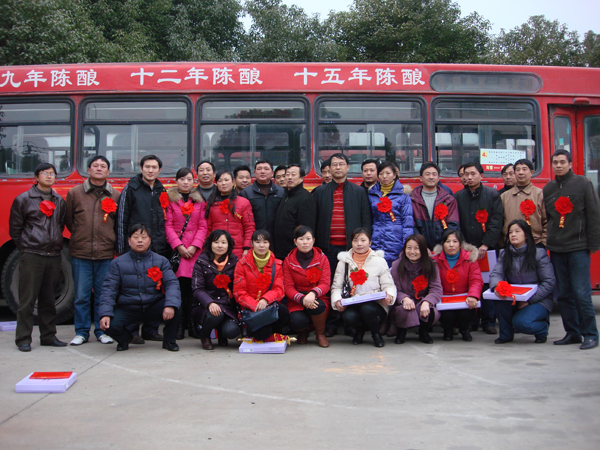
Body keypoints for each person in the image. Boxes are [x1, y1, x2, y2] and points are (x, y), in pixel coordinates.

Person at [543, 150, 600, 350]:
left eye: (562, 162)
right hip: (556, 248)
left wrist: (593, 244)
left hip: (578, 246)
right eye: (555, 162)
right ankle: (572, 333)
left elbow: (593, 215)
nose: (558, 166)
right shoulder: (548, 188)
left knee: (581, 293)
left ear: (570, 164)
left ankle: (590, 334)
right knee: (564, 294)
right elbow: (549, 218)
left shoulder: (583, 184)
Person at [9, 163, 67, 352]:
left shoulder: (59, 200)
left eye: (52, 174)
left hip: (53, 255)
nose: (49, 176)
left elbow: (60, 225)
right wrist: (27, 247)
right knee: (27, 299)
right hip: (32, 255)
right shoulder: (24, 199)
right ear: (36, 177)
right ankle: (23, 338)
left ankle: (48, 336)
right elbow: (15, 229)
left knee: (48, 299)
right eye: (45, 173)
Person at [312, 152, 371, 336]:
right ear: (329, 168)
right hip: (328, 248)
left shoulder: (359, 192)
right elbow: (314, 221)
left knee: (352, 283)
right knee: (330, 285)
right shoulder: (320, 192)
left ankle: (350, 323)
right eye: (334, 164)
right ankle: (331, 322)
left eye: (341, 164)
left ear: (347, 167)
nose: (338, 167)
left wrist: (364, 244)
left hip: (351, 249)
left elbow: (366, 220)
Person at [98, 224, 181, 352]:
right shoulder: (117, 263)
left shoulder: (161, 261)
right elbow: (109, 289)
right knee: (108, 325)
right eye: (136, 237)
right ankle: (125, 339)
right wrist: (105, 313)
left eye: (144, 237)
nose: (140, 241)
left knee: (176, 308)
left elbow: (172, 284)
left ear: (150, 240)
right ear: (129, 241)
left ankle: (169, 341)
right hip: (129, 307)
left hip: (152, 304)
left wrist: (170, 305)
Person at [65, 155, 120, 346]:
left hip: (105, 253)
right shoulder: (75, 193)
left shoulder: (115, 195)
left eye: (103, 166)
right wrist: (81, 236)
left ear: (108, 171)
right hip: (81, 253)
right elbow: (69, 221)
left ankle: (101, 331)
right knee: (81, 296)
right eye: (95, 166)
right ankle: (81, 332)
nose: (99, 168)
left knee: (103, 296)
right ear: (88, 170)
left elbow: (117, 224)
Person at [116, 154, 168, 341]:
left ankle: (150, 329)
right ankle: (131, 331)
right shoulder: (131, 188)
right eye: (147, 167)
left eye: (154, 167)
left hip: (156, 248)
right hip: (135, 248)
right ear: (141, 168)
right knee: (133, 289)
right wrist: (122, 248)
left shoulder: (161, 190)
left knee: (154, 288)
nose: (150, 170)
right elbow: (122, 219)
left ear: (159, 170)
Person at [454, 162, 504, 335]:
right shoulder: (458, 197)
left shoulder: (492, 195)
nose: (469, 177)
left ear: (481, 176)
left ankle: (488, 321)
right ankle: (472, 321)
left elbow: (496, 221)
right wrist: (464, 246)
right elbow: (456, 223)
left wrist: (486, 244)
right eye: (466, 174)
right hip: (467, 249)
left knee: (488, 284)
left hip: (487, 249)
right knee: (469, 283)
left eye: (473, 174)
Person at [489, 220, 555, 344]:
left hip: (538, 299)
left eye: (517, 231)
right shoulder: (504, 253)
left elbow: (549, 282)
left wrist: (530, 300)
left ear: (526, 235)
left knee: (522, 323)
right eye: (510, 232)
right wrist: (497, 287)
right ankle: (506, 335)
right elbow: (496, 274)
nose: (513, 235)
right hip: (514, 297)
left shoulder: (539, 253)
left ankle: (542, 328)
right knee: (499, 299)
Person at [330, 228, 396, 347]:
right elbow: (336, 287)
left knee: (367, 309)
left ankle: (376, 333)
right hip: (353, 302)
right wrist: (337, 300)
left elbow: (388, 285)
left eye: (363, 240)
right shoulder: (344, 262)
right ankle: (359, 331)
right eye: (355, 240)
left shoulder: (379, 261)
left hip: (376, 303)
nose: (359, 244)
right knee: (349, 317)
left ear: (370, 242)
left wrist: (389, 296)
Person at [165, 168, 208, 339]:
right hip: (179, 251)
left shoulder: (199, 201)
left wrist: (195, 246)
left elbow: (203, 225)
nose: (185, 182)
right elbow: (168, 225)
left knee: (194, 290)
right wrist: (179, 246)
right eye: (182, 179)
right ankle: (179, 324)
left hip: (195, 251)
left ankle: (192, 323)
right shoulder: (170, 201)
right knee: (178, 289)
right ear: (177, 181)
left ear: (193, 182)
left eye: (189, 179)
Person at [233, 230, 289, 341]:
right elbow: (239, 293)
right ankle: (263, 333)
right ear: (252, 244)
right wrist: (255, 305)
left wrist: (265, 300)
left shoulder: (277, 264)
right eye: (258, 242)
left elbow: (279, 289)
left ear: (269, 244)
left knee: (283, 310)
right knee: (262, 334)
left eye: (265, 242)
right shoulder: (242, 264)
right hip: (251, 310)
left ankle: (274, 333)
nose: (261, 245)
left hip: (269, 307)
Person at [282, 226, 331, 347]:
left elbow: (325, 283)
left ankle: (320, 334)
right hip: (297, 299)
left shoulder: (322, 258)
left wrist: (313, 293)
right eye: (301, 239)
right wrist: (302, 299)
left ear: (313, 241)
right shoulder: (288, 260)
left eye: (308, 238)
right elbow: (288, 287)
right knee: (296, 320)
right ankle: (303, 332)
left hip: (317, 297)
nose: (305, 242)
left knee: (318, 306)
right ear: (295, 241)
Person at [191, 230, 240, 350]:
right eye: (216, 242)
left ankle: (222, 334)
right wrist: (210, 303)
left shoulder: (235, 261)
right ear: (210, 243)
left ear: (229, 245)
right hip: (205, 306)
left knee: (232, 331)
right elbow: (197, 289)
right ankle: (205, 335)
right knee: (215, 315)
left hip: (227, 306)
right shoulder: (201, 261)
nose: (220, 246)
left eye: (223, 242)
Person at [432, 229, 483, 342]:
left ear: (460, 243)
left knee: (465, 312)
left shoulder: (470, 259)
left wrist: (473, 295)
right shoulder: (435, 260)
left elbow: (476, 280)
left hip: (464, 297)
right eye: (448, 241)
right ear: (443, 244)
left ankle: (464, 330)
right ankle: (448, 330)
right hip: (444, 297)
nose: (451, 245)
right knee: (447, 315)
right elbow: (433, 282)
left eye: (455, 241)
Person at [391, 234, 443, 344]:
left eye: (416, 248)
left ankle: (424, 332)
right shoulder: (397, 265)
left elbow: (436, 288)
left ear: (423, 249)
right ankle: (401, 332)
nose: (412, 251)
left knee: (429, 311)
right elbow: (395, 288)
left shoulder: (431, 265)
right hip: (405, 301)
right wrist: (404, 298)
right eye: (409, 248)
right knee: (403, 309)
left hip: (422, 299)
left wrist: (427, 301)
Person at [368, 161, 414, 267]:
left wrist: (407, 244)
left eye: (388, 173)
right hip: (376, 239)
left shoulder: (403, 195)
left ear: (394, 175)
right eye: (381, 173)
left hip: (396, 240)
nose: (384, 176)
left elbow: (407, 223)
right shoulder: (372, 194)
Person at [206, 170, 255, 259]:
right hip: (217, 249)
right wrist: (207, 248)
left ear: (233, 182)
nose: (223, 183)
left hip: (237, 249)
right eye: (220, 181)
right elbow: (208, 228)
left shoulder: (243, 203)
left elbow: (249, 227)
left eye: (226, 180)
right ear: (216, 184)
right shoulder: (211, 203)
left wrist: (247, 248)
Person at [411, 162, 459, 251]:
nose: (431, 177)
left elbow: (453, 225)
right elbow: (412, 226)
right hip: (420, 249)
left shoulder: (448, 199)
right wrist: (422, 246)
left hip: (443, 249)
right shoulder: (412, 199)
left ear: (438, 178)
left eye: (434, 174)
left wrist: (442, 246)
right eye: (427, 174)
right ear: (421, 178)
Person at [273, 164, 317, 260]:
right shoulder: (286, 194)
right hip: (280, 250)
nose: (289, 177)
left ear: (301, 178)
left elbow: (306, 228)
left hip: (294, 252)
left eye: (293, 174)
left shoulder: (305, 198)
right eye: (287, 174)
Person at [500, 159, 547, 247]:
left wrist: (543, 242)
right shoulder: (504, 196)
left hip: (535, 243)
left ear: (531, 172)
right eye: (518, 170)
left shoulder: (540, 194)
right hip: (510, 244)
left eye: (524, 169)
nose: (521, 172)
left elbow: (547, 221)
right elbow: (499, 221)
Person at [240, 159, 285, 244]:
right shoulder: (246, 193)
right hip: (255, 238)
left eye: (266, 169)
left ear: (272, 173)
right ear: (254, 172)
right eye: (259, 169)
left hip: (277, 239)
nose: (262, 171)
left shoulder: (281, 192)